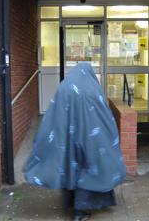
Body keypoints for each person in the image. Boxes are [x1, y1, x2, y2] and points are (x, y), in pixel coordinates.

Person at [23, 62, 126, 221]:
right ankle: (82, 210)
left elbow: (54, 114)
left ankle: (75, 207)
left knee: (72, 167)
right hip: (90, 139)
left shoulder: (64, 87)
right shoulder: (93, 90)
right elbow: (103, 115)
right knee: (89, 167)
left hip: (68, 139)